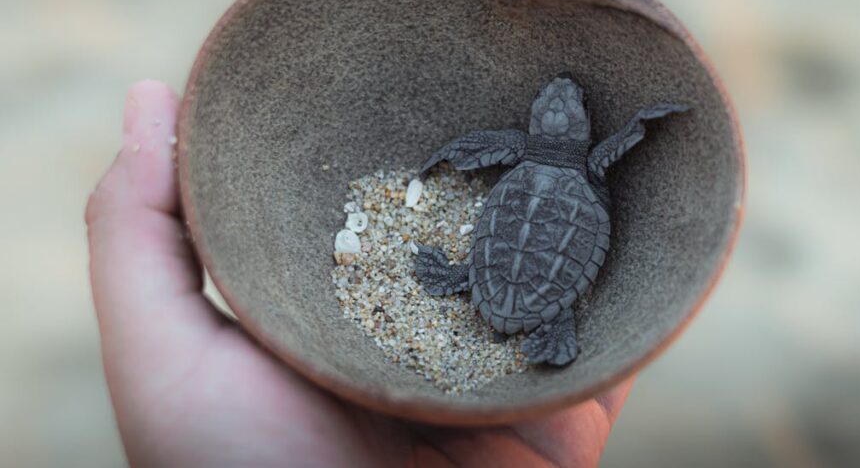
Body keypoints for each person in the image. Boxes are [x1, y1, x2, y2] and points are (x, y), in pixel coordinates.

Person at [85, 80, 634, 467]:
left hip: (489, 271)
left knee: (506, 244)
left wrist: (445, 157)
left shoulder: (517, 152)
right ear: (578, 132)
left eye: (566, 99)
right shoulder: (586, 163)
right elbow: (612, 154)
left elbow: (476, 152)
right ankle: (546, 316)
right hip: (554, 269)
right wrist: (639, 127)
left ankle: (459, 277)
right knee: (546, 258)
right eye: (553, 97)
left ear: (541, 125)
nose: (560, 94)